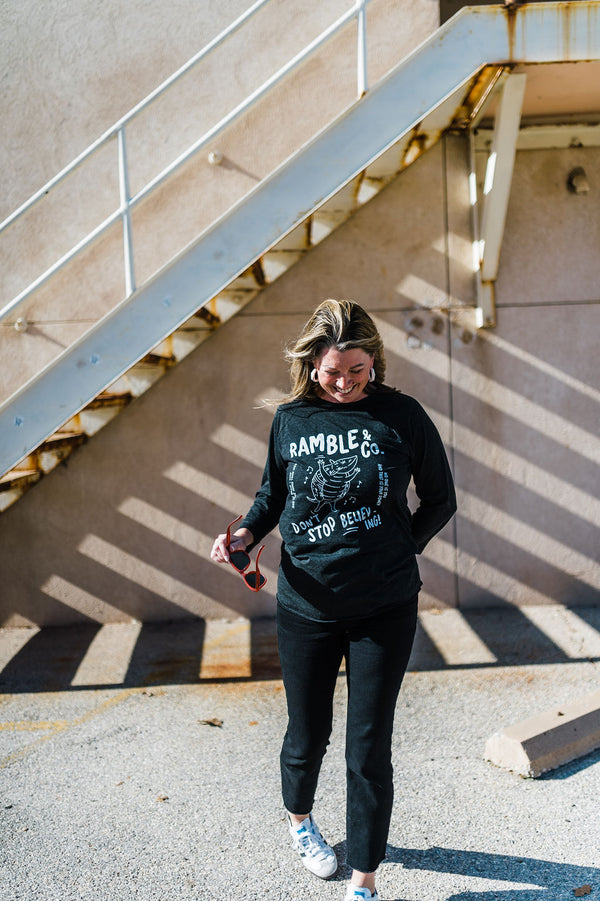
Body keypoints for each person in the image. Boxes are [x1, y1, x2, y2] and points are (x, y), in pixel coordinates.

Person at [211, 299, 456, 901]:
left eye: (357, 371)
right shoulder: (292, 419)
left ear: (374, 362)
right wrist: (243, 535)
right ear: (310, 365)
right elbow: (272, 497)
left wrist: (402, 549)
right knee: (307, 733)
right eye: (331, 372)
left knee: (369, 745)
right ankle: (300, 823)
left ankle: (365, 877)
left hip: (385, 606)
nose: (344, 383)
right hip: (307, 606)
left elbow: (441, 498)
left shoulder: (402, 415)